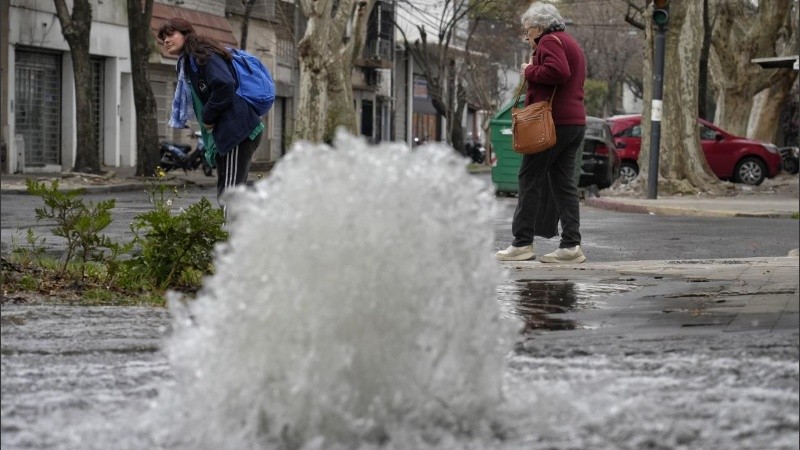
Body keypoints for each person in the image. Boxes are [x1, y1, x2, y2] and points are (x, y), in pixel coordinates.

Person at [495, 2, 587, 264]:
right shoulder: (570, 42)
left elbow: (558, 72)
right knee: (563, 184)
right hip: (573, 124)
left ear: (539, 26)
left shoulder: (549, 41)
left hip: (550, 124)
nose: (527, 36)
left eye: (528, 30)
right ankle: (571, 246)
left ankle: (522, 243)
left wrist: (529, 70)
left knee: (529, 177)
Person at [157, 18, 264, 205]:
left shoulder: (202, 55)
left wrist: (208, 116)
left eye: (170, 34)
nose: (165, 40)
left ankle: (232, 233)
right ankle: (238, 231)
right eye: (163, 37)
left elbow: (225, 84)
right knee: (229, 192)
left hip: (237, 133)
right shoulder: (189, 62)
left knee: (229, 195)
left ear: (185, 34)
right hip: (229, 133)